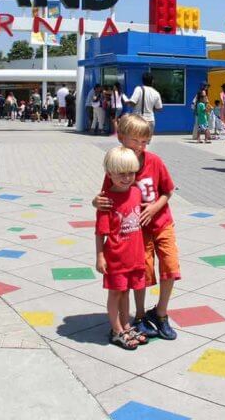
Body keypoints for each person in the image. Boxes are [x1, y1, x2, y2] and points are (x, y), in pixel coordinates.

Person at [93, 115, 181, 341]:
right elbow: (107, 198)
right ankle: (140, 316)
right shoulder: (117, 166)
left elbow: (168, 191)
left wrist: (154, 208)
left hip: (162, 222)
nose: (141, 146)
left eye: (145, 141)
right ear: (121, 138)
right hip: (137, 231)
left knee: (170, 265)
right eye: (136, 141)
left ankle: (161, 313)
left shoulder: (155, 162)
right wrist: (96, 202)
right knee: (143, 271)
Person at [95, 146, 149, 350]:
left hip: (134, 256)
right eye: (121, 174)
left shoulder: (136, 192)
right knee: (115, 293)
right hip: (115, 257)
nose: (127, 178)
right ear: (109, 174)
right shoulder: (106, 201)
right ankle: (116, 330)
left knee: (126, 292)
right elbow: (100, 232)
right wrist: (100, 256)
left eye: (131, 173)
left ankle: (126, 325)